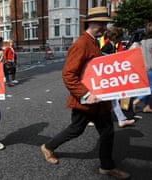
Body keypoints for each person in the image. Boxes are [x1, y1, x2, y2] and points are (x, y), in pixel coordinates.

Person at [40, 7, 130, 179]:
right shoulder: (81, 44)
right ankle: (48, 147)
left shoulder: (94, 41)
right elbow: (68, 74)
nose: (105, 28)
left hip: (99, 100)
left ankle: (107, 166)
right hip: (86, 100)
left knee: (107, 132)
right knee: (76, 129)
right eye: (102, 24)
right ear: (91, 23)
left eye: (106, 24)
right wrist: (85, 94)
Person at [101, 28, 136, 127]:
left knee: (113, 99)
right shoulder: (108, 47)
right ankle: (90, 119)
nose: (122, 39)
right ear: (117, 37)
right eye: (121, 37)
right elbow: (101, 60)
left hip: (108, 77)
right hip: (106, 78)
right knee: (107, 100)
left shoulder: (111, 46)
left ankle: (121, 119)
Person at [132, 32, 152, 113]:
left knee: (147, 86)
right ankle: (136, 101)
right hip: (151, 68)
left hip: (142, 67)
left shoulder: (142, 42)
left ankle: (147, 106)